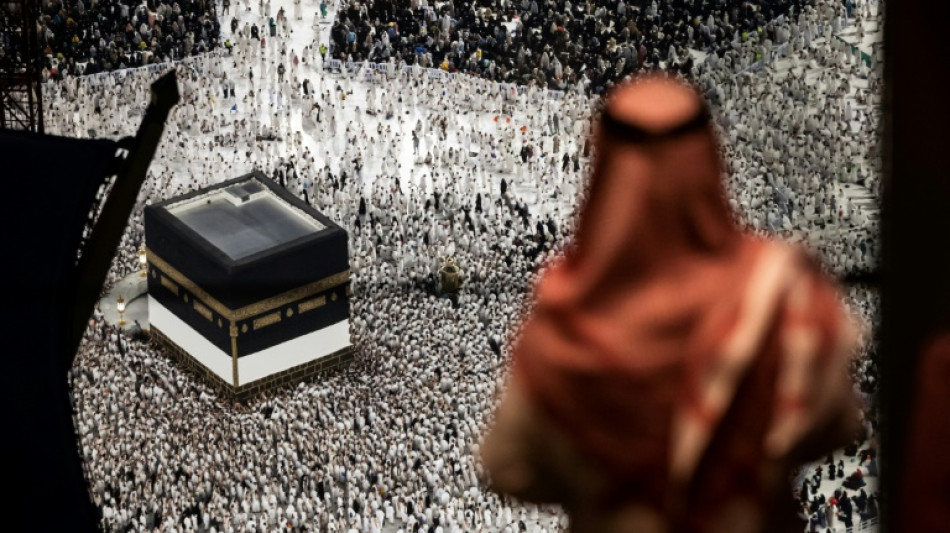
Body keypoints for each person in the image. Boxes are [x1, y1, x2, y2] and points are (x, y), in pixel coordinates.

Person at [481, 75, 863, 533]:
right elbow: (838, 423)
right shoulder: (780, 294)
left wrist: (600, 478)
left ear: (602, 172)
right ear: (708, 162)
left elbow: (507, 466)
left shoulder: (568, 322)